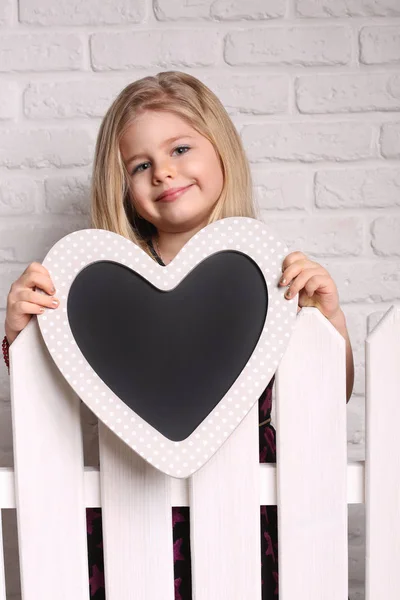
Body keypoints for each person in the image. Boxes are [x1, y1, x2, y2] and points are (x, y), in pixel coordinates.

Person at [2, 71, 354, 599]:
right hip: (131, 499)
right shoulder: (98, 288)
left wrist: (330, 323)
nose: (163, 173)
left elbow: (325, 396)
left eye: (180, 148)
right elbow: (54, 401)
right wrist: (21, 335)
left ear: (221, 152)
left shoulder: (271, 276)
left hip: (245, 498)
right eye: (140, 165)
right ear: (121, 185)